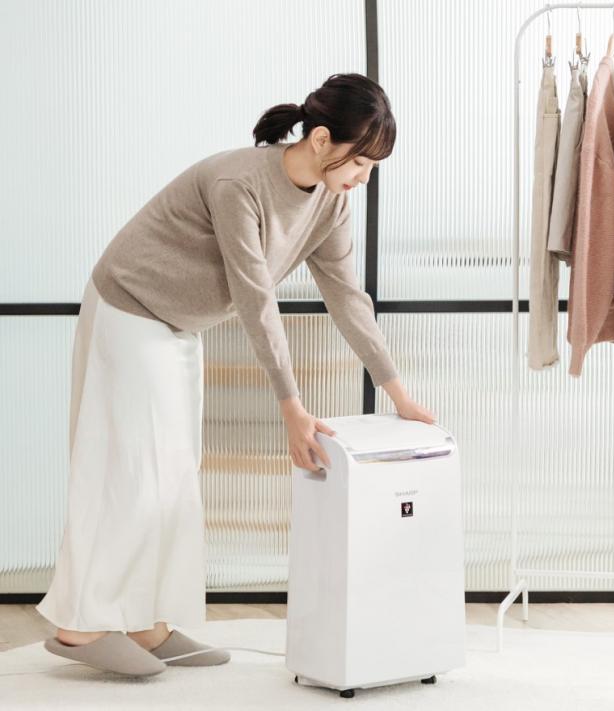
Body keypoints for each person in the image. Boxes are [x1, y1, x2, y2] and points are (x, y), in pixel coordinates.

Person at [36, 73, 435, 676]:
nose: (364, 178)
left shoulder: (331, 203)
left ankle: (147, 624)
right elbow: (255, 299)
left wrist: (398, 392)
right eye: (363, 162)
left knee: (173, 471)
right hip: (130, 306)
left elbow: (348, 297)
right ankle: (80, 627)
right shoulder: (239, 184)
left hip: (179, 324)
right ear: (323, 140)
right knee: (130, 470)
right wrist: (291, 404)